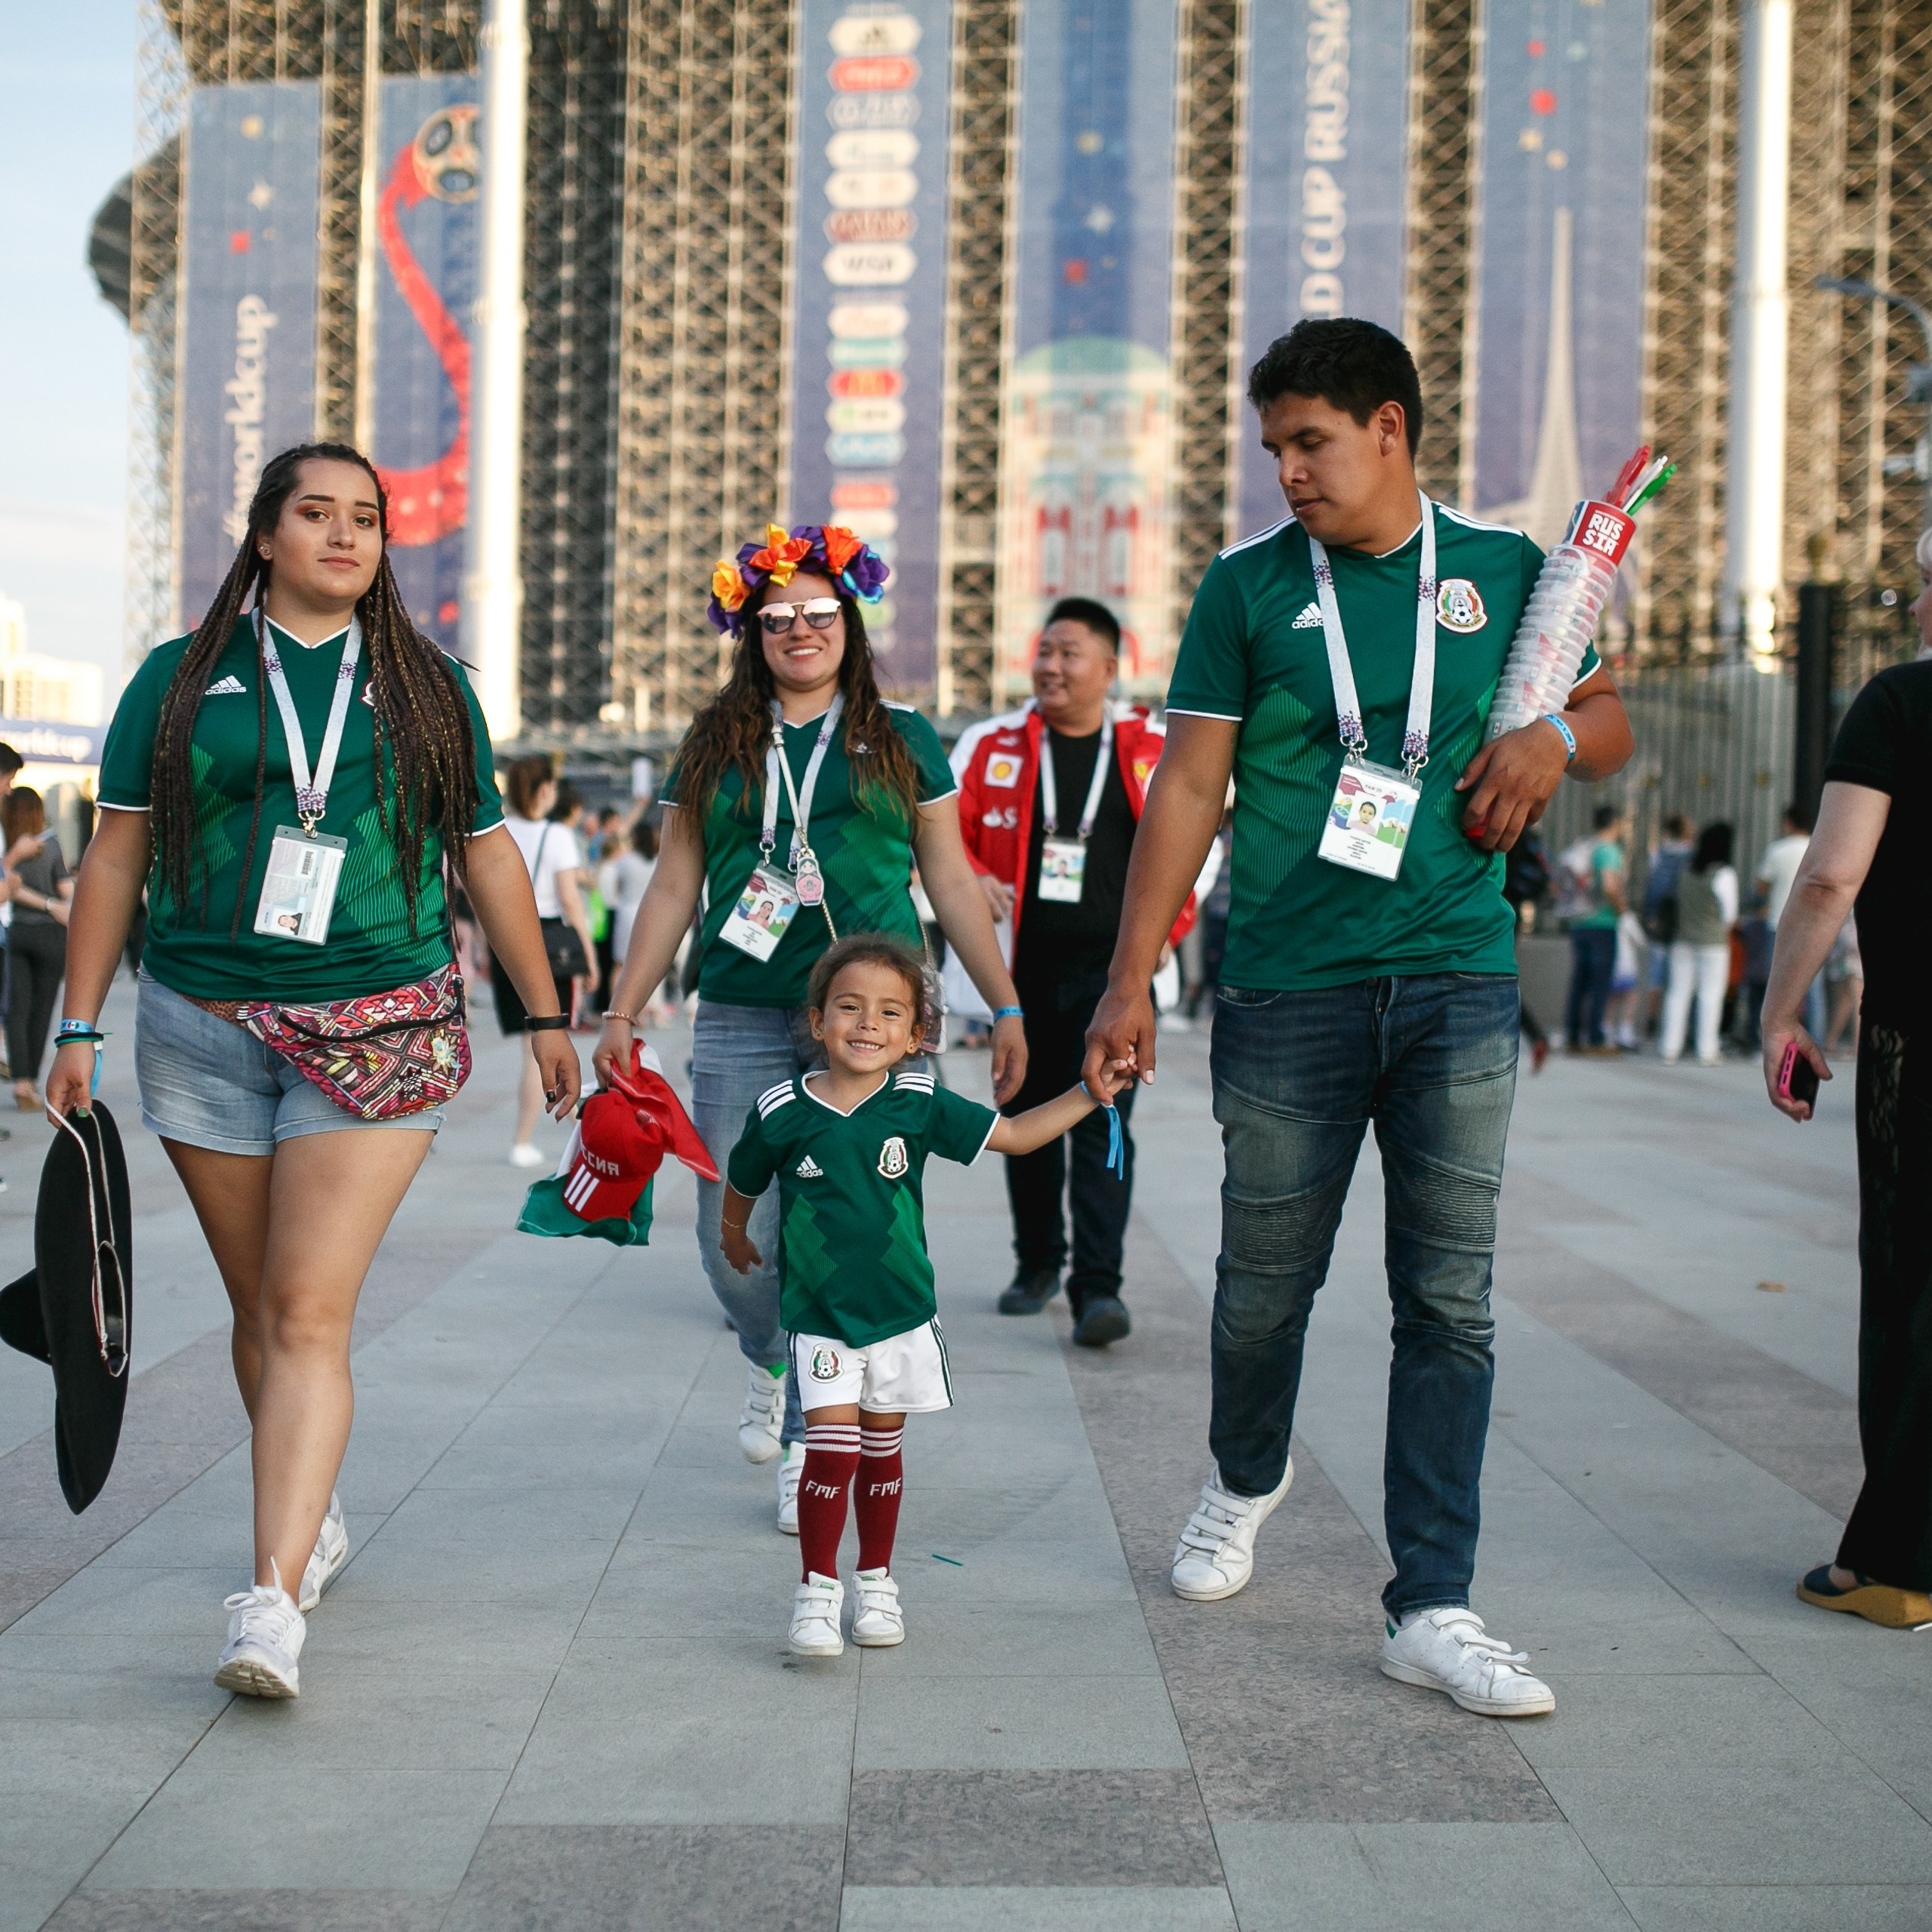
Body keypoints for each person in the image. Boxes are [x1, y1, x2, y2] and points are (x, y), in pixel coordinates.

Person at [1081, 317, 1632, 1717]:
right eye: (1273, 447)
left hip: (1455, 975)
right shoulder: (1248, 591)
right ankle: (1244, 1474)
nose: (1289, 473)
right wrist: (1129, 975)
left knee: (1448, 1297)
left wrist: (1553, 737)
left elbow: (1610, 712)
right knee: (1264, 1283)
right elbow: (1189, 792)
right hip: (1283, 986)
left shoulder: (1508, 573)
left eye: (1310, 442)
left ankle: (1432, 1601)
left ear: (1391, 429)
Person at [50, 441, 580, 1697]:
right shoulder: (178, 681)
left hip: (376, 1026)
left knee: (303, 1311)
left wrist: (548, 1013)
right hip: (198, 1020)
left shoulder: (430, 687)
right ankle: (312, 1510)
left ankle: (272, 1600)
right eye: (317, 514)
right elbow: (116, 858)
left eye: (368, 519)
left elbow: (490, 856)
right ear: (267, 534)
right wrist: (74, 1029)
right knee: (258, 1311)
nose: (346, 535)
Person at [595, 523, 1026, 1534]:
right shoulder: (714, 740)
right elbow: (672, 884)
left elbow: (951, 879)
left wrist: (999, 1003)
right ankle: (768, 1354)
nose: (799, 631)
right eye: (777, 618)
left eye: (819, 615)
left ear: (850, 623)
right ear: (751, 632)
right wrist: (620, 1010)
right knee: (726, 1227)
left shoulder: (904, 733)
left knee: (842, 1227)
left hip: (872, 1022)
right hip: (745, 1007)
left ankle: (806, 1432)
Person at [718, 934, 1131, 1654]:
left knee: (882, 1453)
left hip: (902, 1318)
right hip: (820, 1320)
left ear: (917, 1035)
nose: (867, 1025)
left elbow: (1020, 1137)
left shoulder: (918, 1101)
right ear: (817, 1021)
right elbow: (744, 1176)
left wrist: (1087, 1096)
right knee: (831, 1453)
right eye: (848, 1007)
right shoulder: (782, 1109)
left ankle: (876, 1581)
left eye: (888, 1013)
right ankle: (817, 1591)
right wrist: (733, 1237)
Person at [949, 595, 1200, 1343]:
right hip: (1017, 980)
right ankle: (1036, 1264)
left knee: (1103, 1124)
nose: (1051, 667)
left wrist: (1165, 937)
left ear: (1109, 667)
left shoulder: (1154, 744)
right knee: (1023, 1122)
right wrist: (970, 876)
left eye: (1069, 654)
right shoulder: (991, 741)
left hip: (1112, 980)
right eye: (1045, 651)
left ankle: (1099, 1287)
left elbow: (1201, 844)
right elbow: (937, 827)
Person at [1762, 605, 1932, 1629]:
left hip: (1920, 1041)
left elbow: (1832, 872)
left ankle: (1898, 1563)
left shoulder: (1901, 701)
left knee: (1914, 1282)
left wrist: (1784, 1008)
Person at [495, 755, 600, 1167]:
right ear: (543, 790)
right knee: (556, 1039)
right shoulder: (555, 835)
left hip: (508, 939)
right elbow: (571, 899)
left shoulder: (501, 831)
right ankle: (570, 1132)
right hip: (552, 945)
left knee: (529, 1048)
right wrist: (589, 956)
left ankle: (533, 1137)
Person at [2, 789, 73, 1109]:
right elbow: (65, 890)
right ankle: (31, 1080)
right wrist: (57, 904)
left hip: (17, 932)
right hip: (50, 936)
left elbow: (11, 891)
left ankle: (21, 1082)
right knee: (42, 1011)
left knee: (17, 1010)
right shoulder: (51, 845)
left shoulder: (9, 845)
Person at [1660, 821, 1737, 1065]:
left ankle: (1669, 1048)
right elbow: (1730, 916)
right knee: (1710, 994)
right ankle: (1707, 1050)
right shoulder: (1724, 874)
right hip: (1713, 943)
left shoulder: (1686, 871)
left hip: (1683, 940)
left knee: (1677, 993)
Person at [1757, 801, 1823, 1039]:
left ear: (1788, 823)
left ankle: (1772, 1037)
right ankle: (1816, 1039)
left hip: (1779, 924)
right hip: (1814, 926)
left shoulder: (1777, 851)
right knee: (1814, 988)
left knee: (1776, 985)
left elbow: (1761, 887)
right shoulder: (1819, 848)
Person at [1563, 804, 1626, 1053]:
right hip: (1601, 923)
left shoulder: (1585, 846)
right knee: (1600, 982)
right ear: (1614, 823)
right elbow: (1610, 886)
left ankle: (1573, 1036)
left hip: (1579, 921)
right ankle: (1596, 1038)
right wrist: (1621, 908)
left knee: (1580, 980)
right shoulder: (1608, 851)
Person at [1642, 812, 1694, 1035]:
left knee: (1657, 973)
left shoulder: (1658, 854)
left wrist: (1649, 916)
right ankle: (1684, 1026)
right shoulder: (1690, 855)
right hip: (1682, 920)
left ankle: (1652, 1019)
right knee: (1682, 975)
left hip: (1659, 920)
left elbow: (1651, 886)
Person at [1824, 914, 1863, 1056]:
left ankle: (1857, 1043)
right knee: (1845, 1003)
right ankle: (1831, 1042)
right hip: (1849, 959)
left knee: (1855, 1002)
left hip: (1853, 959)